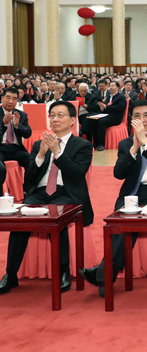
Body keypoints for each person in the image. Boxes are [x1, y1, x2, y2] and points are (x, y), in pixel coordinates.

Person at [78, 100, 147, 297]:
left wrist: (146, 143)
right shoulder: (126, 143)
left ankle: (102, 273)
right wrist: (134, 149)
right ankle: (106, 273)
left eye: (146, 115)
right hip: (133, 193)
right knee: (123, 221)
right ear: (131, 120)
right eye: (137, 116)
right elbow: (118, 174)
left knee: (132, 221)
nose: (141, 119)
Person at [0, 101, 93, 295]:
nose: (55, 119)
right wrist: (41, 155)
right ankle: (11, 274)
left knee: (57, 217)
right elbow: (30, 179)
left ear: (73, 120)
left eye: (60, 115)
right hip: (40, 193)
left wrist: (57, 152)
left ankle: (63, 272)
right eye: (52, 115)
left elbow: (76, 174)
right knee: (21, 220)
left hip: (67, 193)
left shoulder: (83, 145)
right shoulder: (37, 144)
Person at [0, 88, 31, 189]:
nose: (10, 101)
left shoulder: (21, 115)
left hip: (15, 149)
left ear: (17, 101)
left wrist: (18, 126)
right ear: (2, 98)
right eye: (8, 98)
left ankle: (28, 190)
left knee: (33, 162)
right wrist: (3, 124)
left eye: (14, 99)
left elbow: (27, 134)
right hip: (0, 148)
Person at [82, 79, 126, 151]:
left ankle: (101, 144)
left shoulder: (121, 97)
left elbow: (120, 108)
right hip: (106, 115)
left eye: (113, 86)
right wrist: (102, 108)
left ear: (118, 87)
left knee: (101, 122)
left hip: (116, 117)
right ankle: (95, 142)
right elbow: (106, 108)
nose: (111, 87)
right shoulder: (108, 97)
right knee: (93, 120)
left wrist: (107, 107)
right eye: (110, 86)